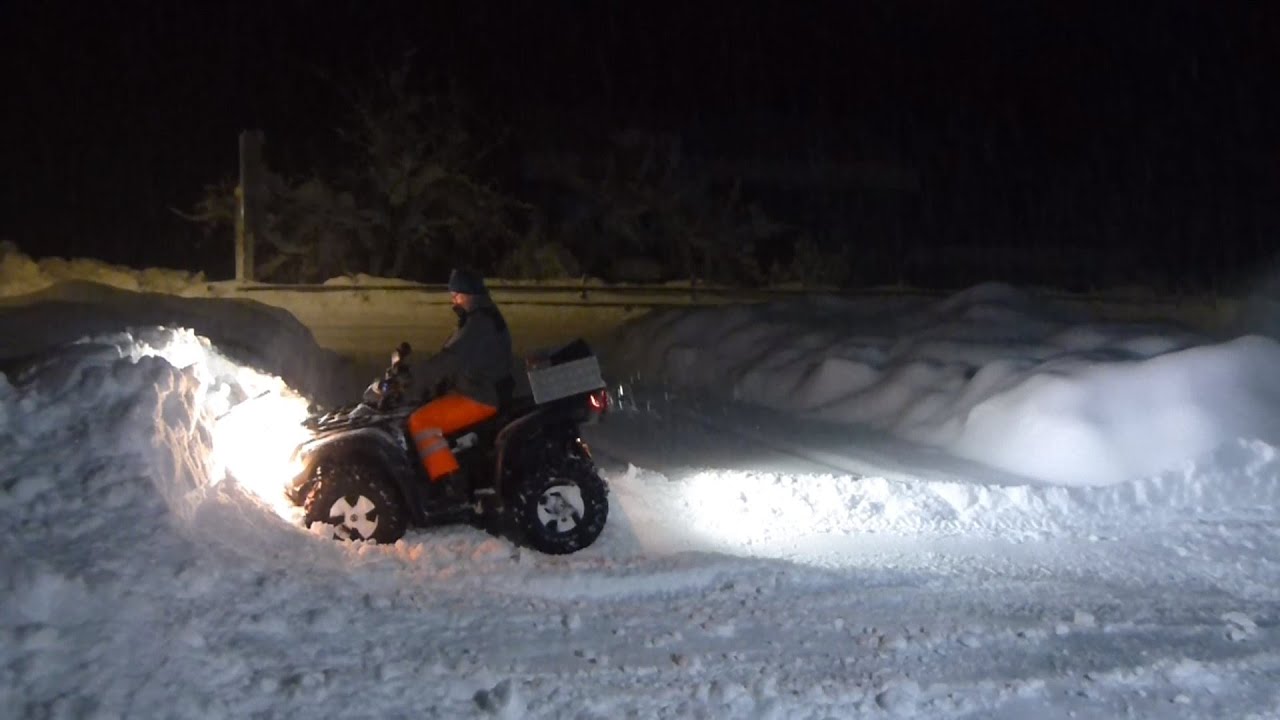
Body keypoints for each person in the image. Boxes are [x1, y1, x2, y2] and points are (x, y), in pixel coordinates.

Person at [407, 268, 513, 500]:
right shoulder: (478, 318)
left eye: (457, 294)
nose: (453, 299)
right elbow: (452, 356)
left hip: (480, 395)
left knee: (421, 421)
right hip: (475, 388)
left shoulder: (479, 323)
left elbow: (451, 359)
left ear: (469, 294)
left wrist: (413, 379)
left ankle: (449, 485)